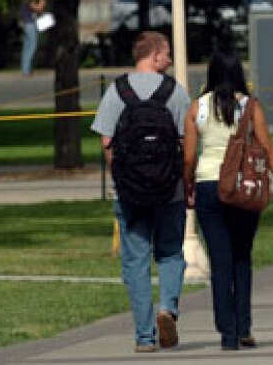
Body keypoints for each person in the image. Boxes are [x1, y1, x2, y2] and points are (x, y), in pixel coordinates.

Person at [183, 50, 273, 351]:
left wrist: (188, 185)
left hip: (208, 186)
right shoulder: (251, 107)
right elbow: (268, 151)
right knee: (241, 258)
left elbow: (190, 157)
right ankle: (244, 327)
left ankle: (227, 333)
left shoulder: (197, 108)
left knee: (220, 263)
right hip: (243, 187)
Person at [91, 31, 191, 352]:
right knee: (171, 252)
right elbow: (187, 142)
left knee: (135, 262)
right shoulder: (175, 92)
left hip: (130, 192)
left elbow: (106, 142)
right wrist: (185, 182)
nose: (171, 59)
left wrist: (122, 177)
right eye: (167, 53)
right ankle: (168, 309)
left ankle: (144, 337)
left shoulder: (115, 92)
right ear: (155, 55)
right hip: (169, 190)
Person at [19, 0, 46, 76]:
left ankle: (26, 69)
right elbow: (38, 8)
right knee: (32, 47)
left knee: (27, 48)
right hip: (30, 24)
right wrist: (42, 3)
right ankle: (26, 71)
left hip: (28, 24)